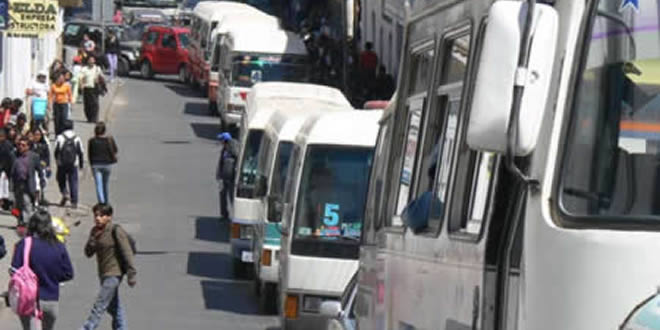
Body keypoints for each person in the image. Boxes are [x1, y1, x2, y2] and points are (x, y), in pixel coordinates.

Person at [11, 210, 74, 330]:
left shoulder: (24, 244)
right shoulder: (59, 246)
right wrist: (53, 277)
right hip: (51, 299)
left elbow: (14, 270)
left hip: (28, 299)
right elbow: (68, 273)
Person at [81, 204, 136, 330]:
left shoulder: (115, 230)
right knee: (114, 306)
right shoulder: (94, 231)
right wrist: (92, 241)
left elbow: (127, 252)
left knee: (100, 304)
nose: (98, 218)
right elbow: (88, 253)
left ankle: (88, 327)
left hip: (114, 273)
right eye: (96, 215)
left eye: (101, 215)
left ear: (109, 217)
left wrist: (131, 274)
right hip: (103, 273)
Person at [11, 136, 44, 225]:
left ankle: (27, 223)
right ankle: (21, 221)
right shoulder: (14, 156)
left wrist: (42, 181)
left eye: (23, 145)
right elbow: (12, 172)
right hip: (18, 185)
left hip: (28, 184)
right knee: (19, 205)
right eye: (19, 145)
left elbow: (40, 170)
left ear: (28, 147)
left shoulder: (34, 157)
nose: (20, 147)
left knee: (27, 203)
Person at [54, 120, 84, 209]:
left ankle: (64, 193)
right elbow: (80, 152)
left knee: (60, 179)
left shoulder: (60, 137)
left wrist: (57, 161)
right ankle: (74, 201)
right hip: (73, 163)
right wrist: (81, 164)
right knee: (73, 182)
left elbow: (56, 151)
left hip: (62, 163)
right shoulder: (77, 138)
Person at [88, 122, 118, 205]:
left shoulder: (92, 141)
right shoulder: (108, 140)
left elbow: (90, 154)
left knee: (98, 184)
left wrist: (91, 165)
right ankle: (106, 201)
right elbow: (115, 150)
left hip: (96, 165)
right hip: (107, 164)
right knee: (105, 184)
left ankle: (101, 201)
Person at [216, 132, 238, 220]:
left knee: (232, 196)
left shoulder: (232, 147)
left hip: (231, 177)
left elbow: (236, 157)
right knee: (223, 195)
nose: (220, 142)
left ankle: (236, 214)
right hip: (225, 176)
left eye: (221, 140)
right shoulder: (225, 149)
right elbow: (221, 162)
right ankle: (224, 214)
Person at [80, 56, 103, 123]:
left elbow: (101, 76)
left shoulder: (97, 69)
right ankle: (89, 118)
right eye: (90, 61)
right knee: (87, 105)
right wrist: (81, 85)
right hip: (87, 88)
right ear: (88, 61)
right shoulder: (84, 69)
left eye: (93, 61)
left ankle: (94, 118)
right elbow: (81, 77)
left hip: (94, 88)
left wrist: (98, 79)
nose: (91, 62)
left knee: (95, 104)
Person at [31, 129, 51, 205]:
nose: (36, 137)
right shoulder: (30, 145)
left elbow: (47, 157)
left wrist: (46, 164)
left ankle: (40, 198)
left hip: (41, 168)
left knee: (41, 183)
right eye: (35, 134)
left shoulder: (44, 145)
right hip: (32, 168)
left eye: (38, 135)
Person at [0, 129, 14, 210]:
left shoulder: (7, 145)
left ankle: (3, 203)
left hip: (5, 170)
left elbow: (10, 159)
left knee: (3, 187)